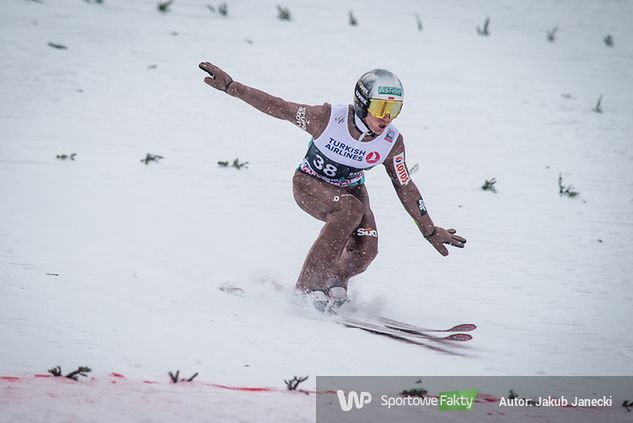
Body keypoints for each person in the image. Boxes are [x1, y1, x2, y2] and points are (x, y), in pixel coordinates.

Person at [199, 62, 466, 310]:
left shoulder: (392, 142)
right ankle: (306, 288)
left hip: (351, 190)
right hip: (309, 183)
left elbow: (405, 185)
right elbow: (279, 107)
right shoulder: (327, 119)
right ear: (363, 105)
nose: (387, 118)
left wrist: (429, 230)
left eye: (394, 110)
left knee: (366, 250)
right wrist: (231, 87)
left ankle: (333, 282)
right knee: (350, 209)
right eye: (381, 109)